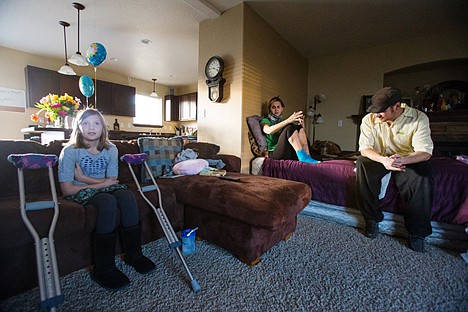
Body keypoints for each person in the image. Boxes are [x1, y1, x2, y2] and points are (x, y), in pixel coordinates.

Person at [58, 109, 155, 290]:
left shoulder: (111, 149)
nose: (91, 128)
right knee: (107, 202)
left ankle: (134, 255)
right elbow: (67, 189)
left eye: (96, 123)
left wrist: (86, 178)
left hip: (91, 184)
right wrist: (96, 185)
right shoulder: (70, 151)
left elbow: (112, 180)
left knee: (127, 196)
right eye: (85, 123)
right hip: (81, 191)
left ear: (103, 127)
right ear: (78, 127)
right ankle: (103, 268)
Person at [356, 87, 434, 252]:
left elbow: (425, 152)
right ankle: (371, 219)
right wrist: (383, 160)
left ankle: (417, 232)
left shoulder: (419, 118)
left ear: (397, 106)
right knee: (362, 163)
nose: (377, 115)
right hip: (380, 157)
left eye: (381, 111)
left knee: (423, 174)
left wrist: (404, 160)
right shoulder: (369, 119)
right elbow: (364, 149)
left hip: (408, 158)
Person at [260, 96, 319, 163]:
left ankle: (307, 157)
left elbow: (301, 137)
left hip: (287, 151)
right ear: (270, 109)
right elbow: (268, 130)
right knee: (289, 127)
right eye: (273, 107)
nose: (276, 109)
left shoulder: (281, 121)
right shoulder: (265, 120)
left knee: (297, 127)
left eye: (278, 107)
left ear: (282, 109)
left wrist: (302, 125)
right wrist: (288, 120)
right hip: (274, 153)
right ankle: (303, 158)